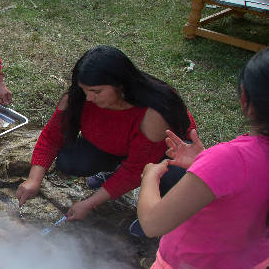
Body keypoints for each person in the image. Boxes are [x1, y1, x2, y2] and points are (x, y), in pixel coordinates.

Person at [100, 49, 269, 269]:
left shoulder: (233, 158)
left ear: (246, 100)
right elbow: (243, 191)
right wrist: (203, 164)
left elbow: (152, 222)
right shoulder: (236, 160)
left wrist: (149, 177)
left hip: (189, 266)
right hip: (235, 265)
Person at [15, 46, 194, 221]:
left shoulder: (153, 114)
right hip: (119, 146)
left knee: (175, 178)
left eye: (96, 92)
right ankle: (114, 172)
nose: (89, 98)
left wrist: (89, 203)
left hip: (164, 155)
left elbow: (135, 170)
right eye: (84, 90)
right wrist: (33, 180)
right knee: (69, 160)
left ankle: (156, 213)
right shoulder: (79, 97)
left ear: (120, 85)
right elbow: (51, 137)